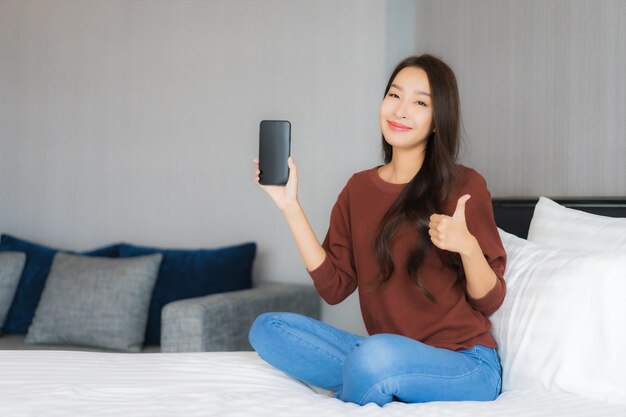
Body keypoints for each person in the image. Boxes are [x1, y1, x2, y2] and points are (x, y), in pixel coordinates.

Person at [249, 54, 506, 406]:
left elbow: (489, 300)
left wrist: (468, 247)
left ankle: (364, 384)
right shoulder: (358, 188)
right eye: (394, 95)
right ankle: (378, 380)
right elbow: (334, 287)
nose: (400, 111)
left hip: (464, 363)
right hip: (384, 353)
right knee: (267, 329)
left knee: (374, 356)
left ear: (436, 121)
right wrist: (289, 205)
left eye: (419, 102)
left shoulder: (464, 184)